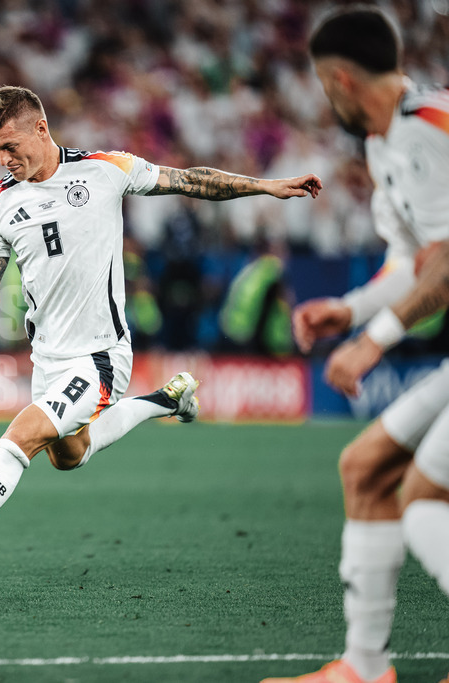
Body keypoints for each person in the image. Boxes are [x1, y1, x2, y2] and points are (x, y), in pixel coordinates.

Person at [0, 85, 322, 596]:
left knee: (16, 441)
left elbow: (187, 181)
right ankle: (166, 400)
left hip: (100, 357)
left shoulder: (105, 169)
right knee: (67, 455)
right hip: (48, 360)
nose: (5, 160)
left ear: (41, 129)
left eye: (11, 146)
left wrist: (266, 187)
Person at [262, 7, 449, 683]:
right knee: (366, 469)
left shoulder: (429, 133)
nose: (324, 96)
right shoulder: (385, 141)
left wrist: (374, 342)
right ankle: (365, 668)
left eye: (321, 83)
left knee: (425, 501)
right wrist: (349, 308)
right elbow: (410, 264)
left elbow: (447, 267)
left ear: (340, 78)